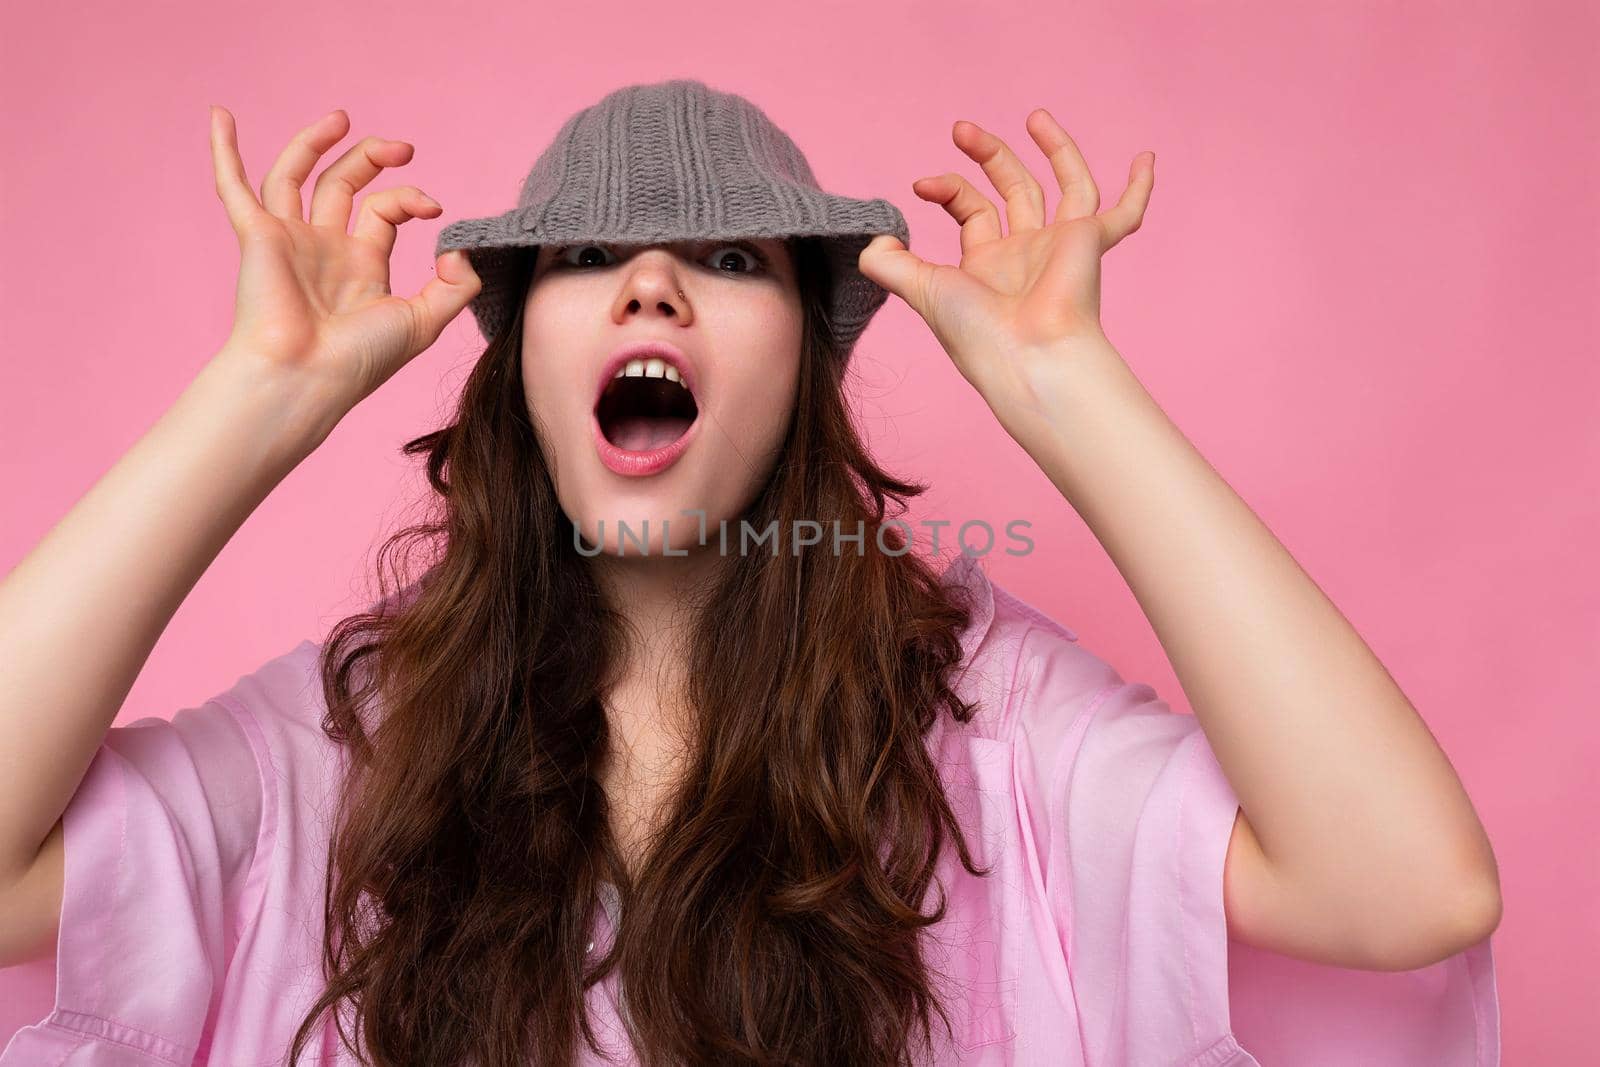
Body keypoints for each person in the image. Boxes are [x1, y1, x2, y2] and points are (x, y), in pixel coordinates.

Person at [0, 79, 1501, 1066]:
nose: (651, 278)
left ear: (806, 373)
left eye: (730, 262)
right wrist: (253, 400)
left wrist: (1068, 391)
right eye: (587, 259)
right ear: (518, 362)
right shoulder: (350, 750)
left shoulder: (989, 727)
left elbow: (1405, 891)